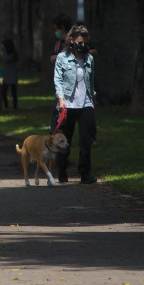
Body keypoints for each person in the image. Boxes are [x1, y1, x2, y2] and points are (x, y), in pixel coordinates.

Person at [54, 24, 97, 184]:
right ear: (72, 40)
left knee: (86, 140)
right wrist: (60, 98)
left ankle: (85, 173)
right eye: (80, 42)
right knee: (66, 140)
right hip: (68, 103)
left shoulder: (89, 59)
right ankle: (62, 170)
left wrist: (93, 98)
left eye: (85, 43)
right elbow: (57, 79)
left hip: (86, 103)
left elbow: (91, 81)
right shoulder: (62, 58)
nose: (83, 46)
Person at [1, 38, 18, 110]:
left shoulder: (13, 54)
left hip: (12, 75)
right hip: (7, 75)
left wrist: (3, 50)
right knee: (4, 92)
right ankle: (6, 106)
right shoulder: (10, 53)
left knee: (13, 92)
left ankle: (14, 107)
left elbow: (6, 58)